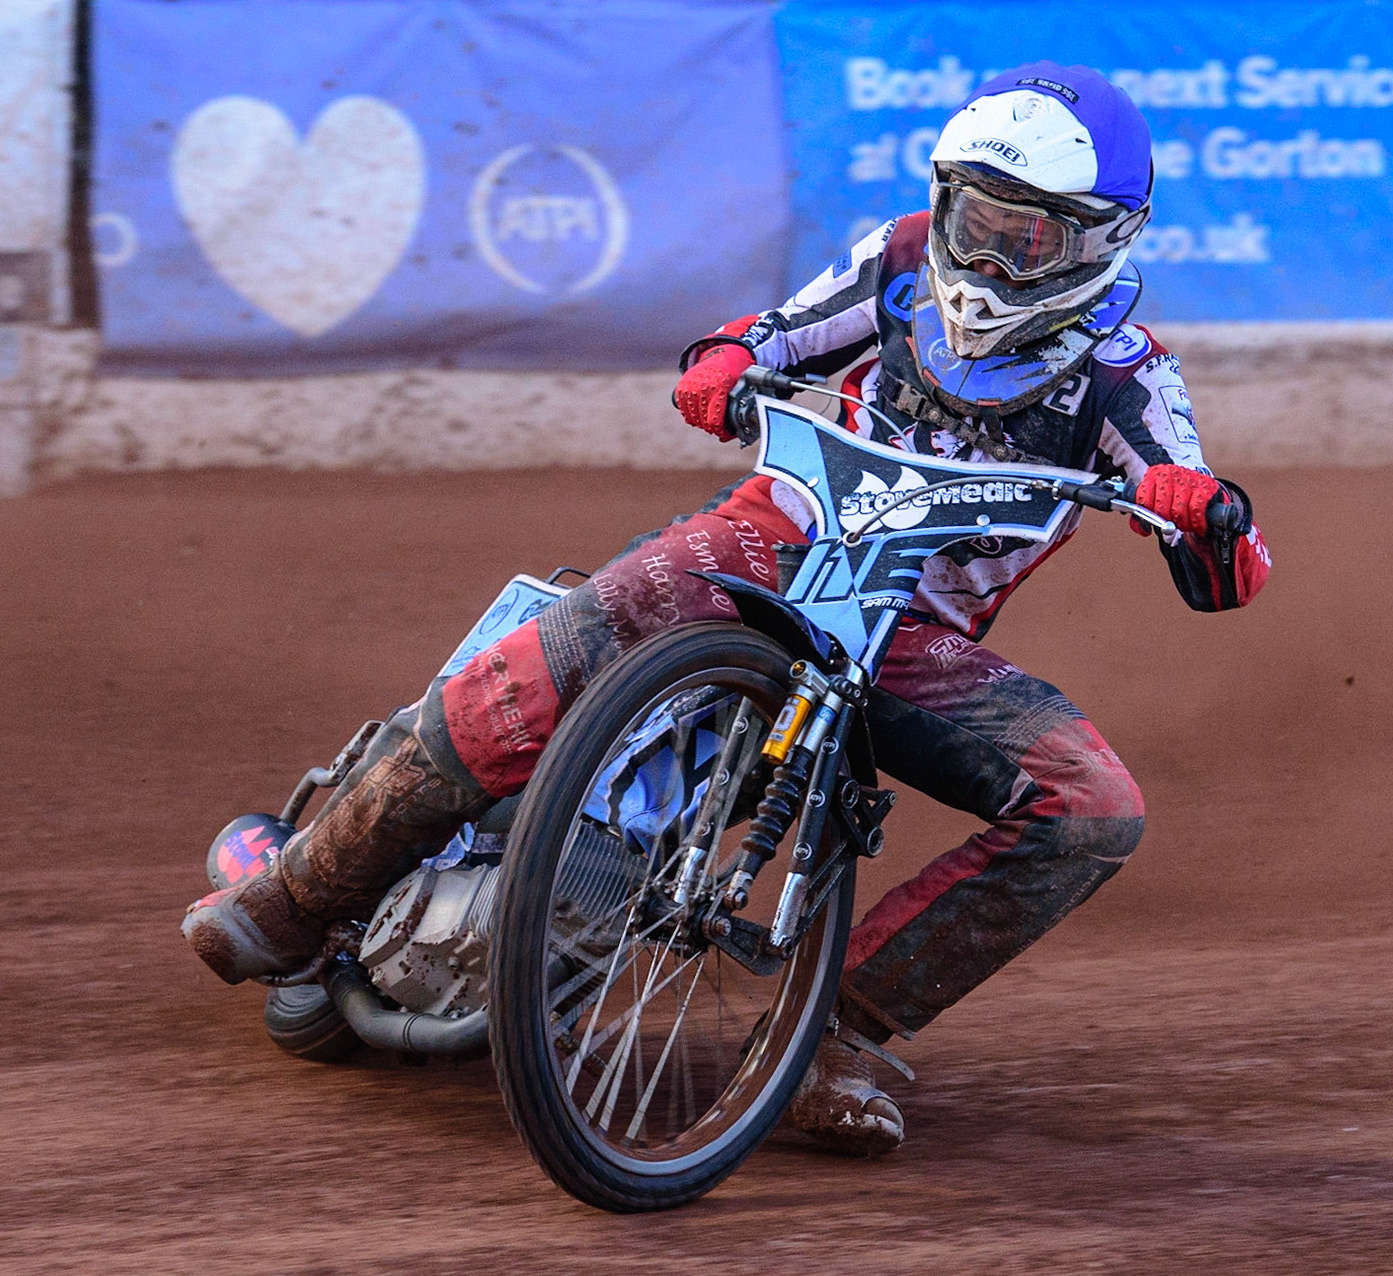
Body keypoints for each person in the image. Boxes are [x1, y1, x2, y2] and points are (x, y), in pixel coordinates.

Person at [184, 61, 1271, 1156]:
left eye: (1025, 238)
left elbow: (1228, 570)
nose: (987, 258)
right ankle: (300, 893)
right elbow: (770, 335)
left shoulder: (1130, 380)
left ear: (1097, 242)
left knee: (1092, 806)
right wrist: (725, 359)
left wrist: (1208, 514)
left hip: (907, 636)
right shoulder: (899, 261)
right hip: (776, 532)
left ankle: (838, 1035)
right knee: (578, 632)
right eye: (975, 220)